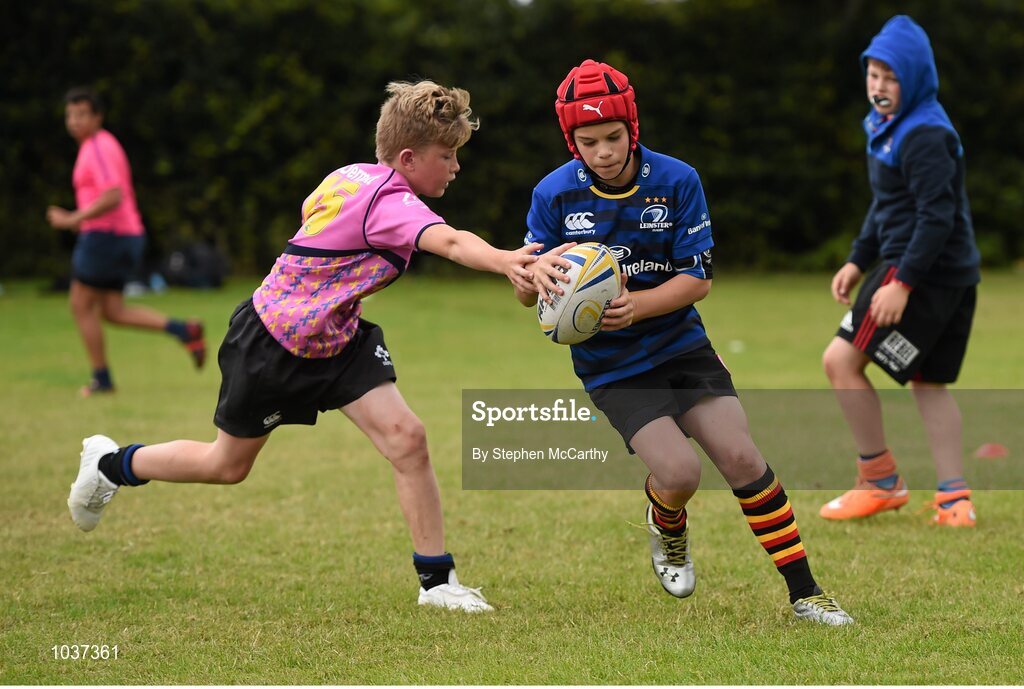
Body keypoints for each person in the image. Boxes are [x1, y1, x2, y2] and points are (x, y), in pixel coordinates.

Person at [67, 80, 543, 612]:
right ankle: (110, 463)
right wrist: (506, 260)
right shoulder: (389, 201)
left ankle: (437, 584)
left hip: (336, 338)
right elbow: (451, 241)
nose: (456, 166)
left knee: (407, 437)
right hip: (273, 343)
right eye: (447, 155)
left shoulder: (352, 175)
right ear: (408, 157)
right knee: (227, 465)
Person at [518, 59, 853, 625]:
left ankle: (806, 593)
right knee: (679, 475)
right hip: (612, 365)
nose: (602, 151)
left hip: (680, 345)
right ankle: (667, 525)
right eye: (588, 140)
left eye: (613, 137)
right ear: (571, 140)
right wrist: (534, 280)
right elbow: (532, 298)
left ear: (633, 129)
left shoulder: (677, 181)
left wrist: (638, 305)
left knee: (743, 457)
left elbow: (698, 278)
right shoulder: (553, 195)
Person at [819, 16, 980, 528]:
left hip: (921, 274)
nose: (879, 87)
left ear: (913, 80)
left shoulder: (923, 133)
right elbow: (887, 205)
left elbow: (938, 217)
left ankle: (880, 481)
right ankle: (955, 501)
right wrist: (856, 258)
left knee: (839, 364)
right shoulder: (894, 125)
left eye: (891, 78)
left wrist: (900, 283)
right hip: (951, 276)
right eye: (873, 75)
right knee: (929, 383)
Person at [46, 87, 206, 396]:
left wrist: (72, 219)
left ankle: (102, 380)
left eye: (82, 114)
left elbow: (113, 194)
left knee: (80, 304)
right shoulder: (96, 146)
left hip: (108, 235)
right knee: (112, 311)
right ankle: (184, 331)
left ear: (97, 117)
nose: (74, 121)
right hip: (121, 235)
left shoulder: (97, 147)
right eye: (70, 115)